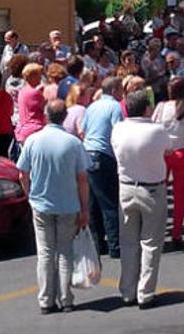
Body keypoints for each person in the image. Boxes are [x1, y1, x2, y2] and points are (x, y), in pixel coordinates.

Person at [16, 100, 90, 314]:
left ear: (46, 116)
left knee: (46, 252)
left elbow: (22, 172)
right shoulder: (73, 143)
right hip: (68, 204)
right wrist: (85, 208)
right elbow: (82, 178)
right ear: (65, 116)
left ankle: (46, 300)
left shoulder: (33, 141)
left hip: (41, 203)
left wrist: (29, 193)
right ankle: (66, 298)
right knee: (65, 251)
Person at [112, 90, 172, 309]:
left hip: (126, 188)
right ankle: (145, 293)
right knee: (151, 243)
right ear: (147, 109)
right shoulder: (157, 130)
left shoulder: (118, 128)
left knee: (128, 242)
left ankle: (127, 291)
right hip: (152, 190)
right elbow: (168, 148)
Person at [152, 77, 184, 249]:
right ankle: (177, 233)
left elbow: (155, 128)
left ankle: (158, 229)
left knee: (159, 193)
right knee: (180, 196)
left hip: (163, 153)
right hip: (182, 153)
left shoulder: (161, 107)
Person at [81, 76, 125, 258]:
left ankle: (97, 245)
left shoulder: (92, 106)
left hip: (87, 153)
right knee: (109, 202)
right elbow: (119, 132)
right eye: (121, 88)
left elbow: (83, 129)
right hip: (104, 155)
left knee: (93, 203)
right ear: (114, 90)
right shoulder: (115, 106)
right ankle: (115, 246)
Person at [14, 63, 47, 147]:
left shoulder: (22, 91)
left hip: (23, 130)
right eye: (38, 75)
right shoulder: (35, 93)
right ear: (31, 76)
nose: (40, 77)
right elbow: (45, 107)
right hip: (35, 130)